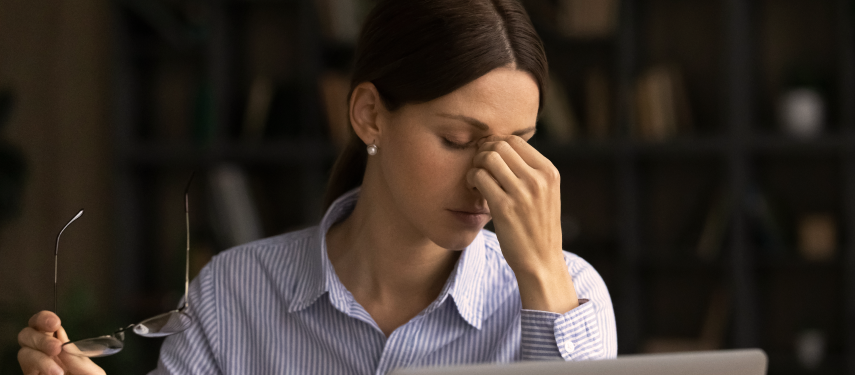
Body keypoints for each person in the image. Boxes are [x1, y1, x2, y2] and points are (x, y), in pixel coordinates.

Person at [17, 0, 617, 373]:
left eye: (519, 144)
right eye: (459, 140)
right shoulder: (234, 295)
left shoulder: (572, 295)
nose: (491, 182)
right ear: (370, 115)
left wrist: (541, 274)